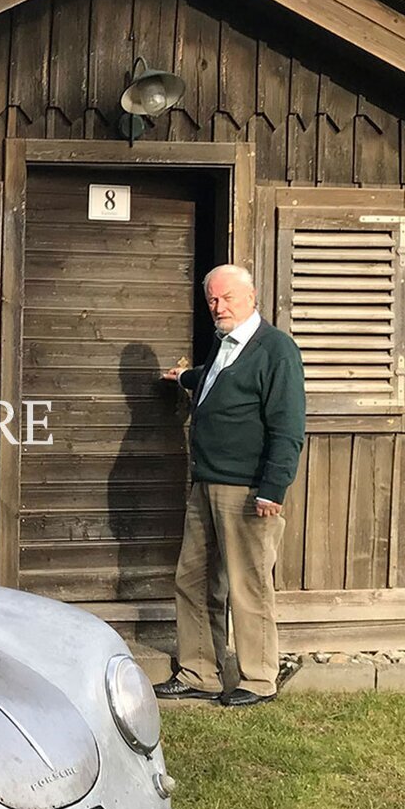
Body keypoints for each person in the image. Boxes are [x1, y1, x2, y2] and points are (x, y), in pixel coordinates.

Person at [156, 265, 305, 707]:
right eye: (213, 301)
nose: (219, 307)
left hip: (247, 492)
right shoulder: (226, 345)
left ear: (251, 296)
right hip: (206, 483)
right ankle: (199, 671)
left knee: (248, 583)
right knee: (194, 580)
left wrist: (272, 489)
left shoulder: (276, 350)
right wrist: (183, 379)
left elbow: (288, 426)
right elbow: (214, 381)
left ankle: (259, 679)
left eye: (227, 298)